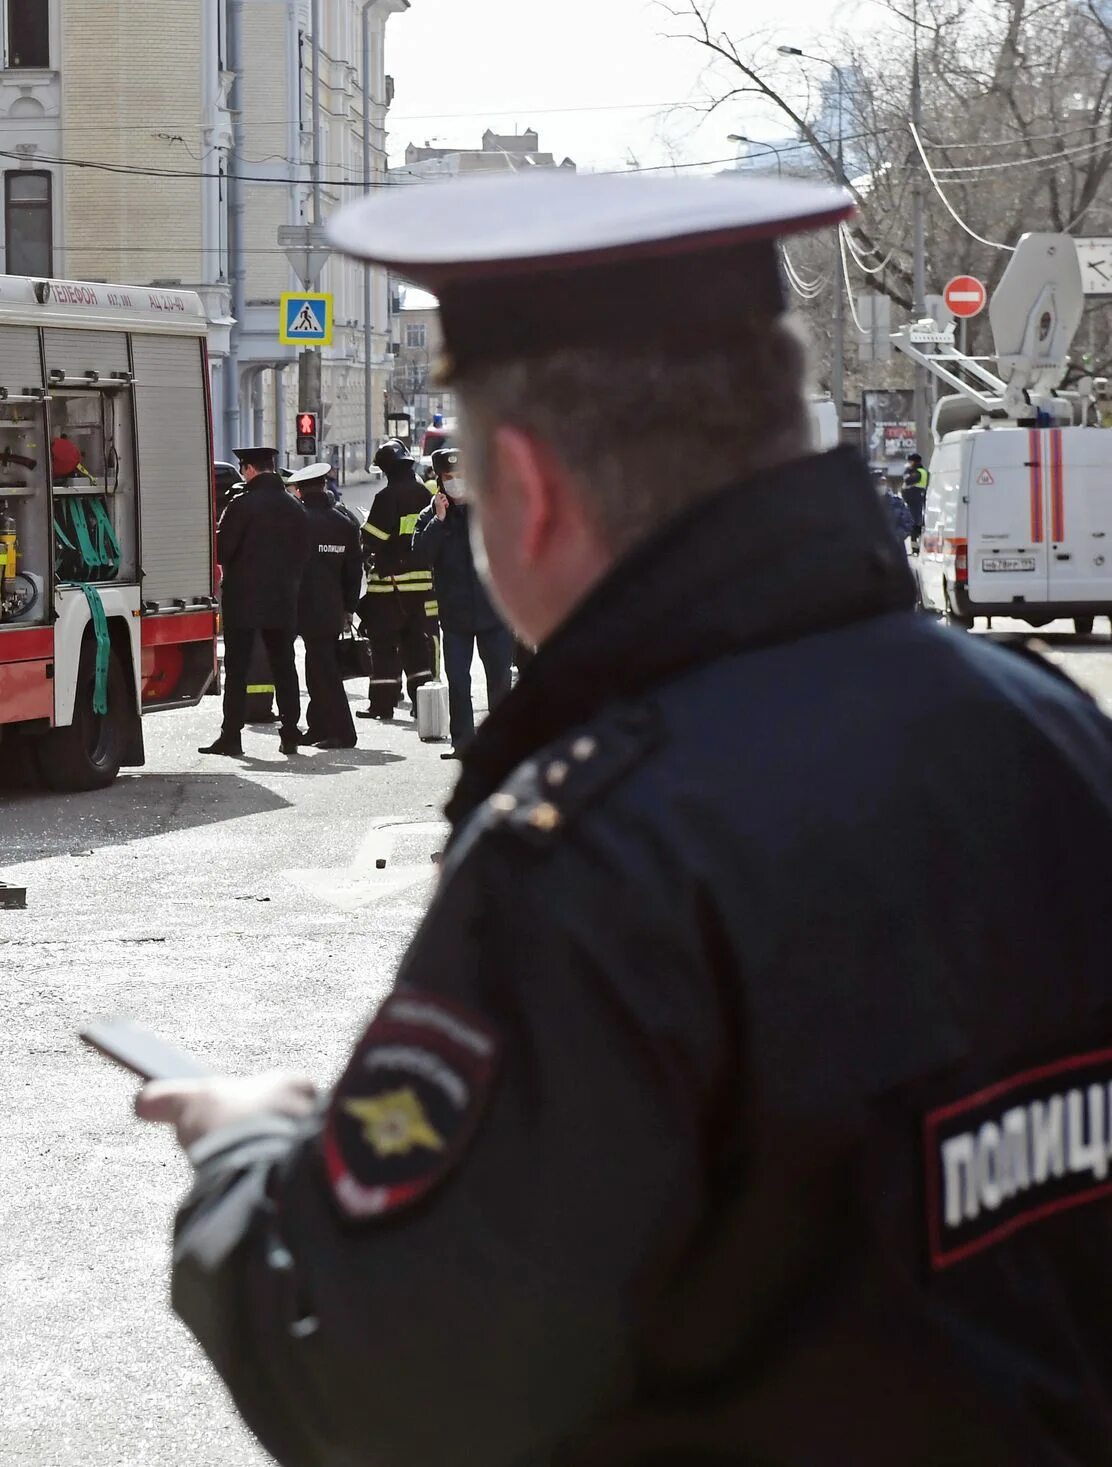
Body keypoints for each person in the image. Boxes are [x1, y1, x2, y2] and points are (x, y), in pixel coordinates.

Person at [138, 170, 1112, 1462]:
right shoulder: (1046, 725)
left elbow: (385, 1375)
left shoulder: (602, 847)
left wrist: (247, 1153)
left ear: (530, 490)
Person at [203, 447, 312, 758]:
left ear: (249, 469)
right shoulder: (294, 506)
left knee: (237, 669)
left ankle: (231, 736)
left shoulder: (242, 505)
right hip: (283, 599)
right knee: (284, 666)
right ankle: (290, 733)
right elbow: (304, 554)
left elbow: (222, 551)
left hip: (244, 600)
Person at [413, 447, 511, 757]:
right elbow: (420, 556)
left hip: (494, 614)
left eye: (461, 476)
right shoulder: (432, 515)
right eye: (448, 477)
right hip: (454, 617)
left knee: (499, 682)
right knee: (458, 681)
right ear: (440, 480)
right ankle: (463, 742)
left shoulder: (492, 509)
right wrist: (439, 522)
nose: (455, 482)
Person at [285, 462, 364, 750]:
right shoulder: (344, 522)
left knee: (326, 673)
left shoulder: (298, 521)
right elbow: (354, 570)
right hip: (333, 609)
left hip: (304, 607)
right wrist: (349, 607)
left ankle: (343, 733)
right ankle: (318, 726)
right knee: (317, 668)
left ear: (301, 491)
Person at [357, 438, 437, 721]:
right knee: (417, 646)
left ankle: (382, 704)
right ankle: (422, 705)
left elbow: (373, 539)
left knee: (383, 648)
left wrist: (364, 535)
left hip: (389, 588)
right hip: (422, 586)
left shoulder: (386, 498)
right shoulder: (424, 494)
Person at [903, 451, 930, 552]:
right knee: (917, 527)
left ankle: (916, 549)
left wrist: (907, 472)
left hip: (915, 504)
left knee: (914, 526)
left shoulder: (917, 473)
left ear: (913, 462)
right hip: (918, 503)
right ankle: (916, 548)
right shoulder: (924, 472)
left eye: (909, 462)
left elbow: (907, 480)